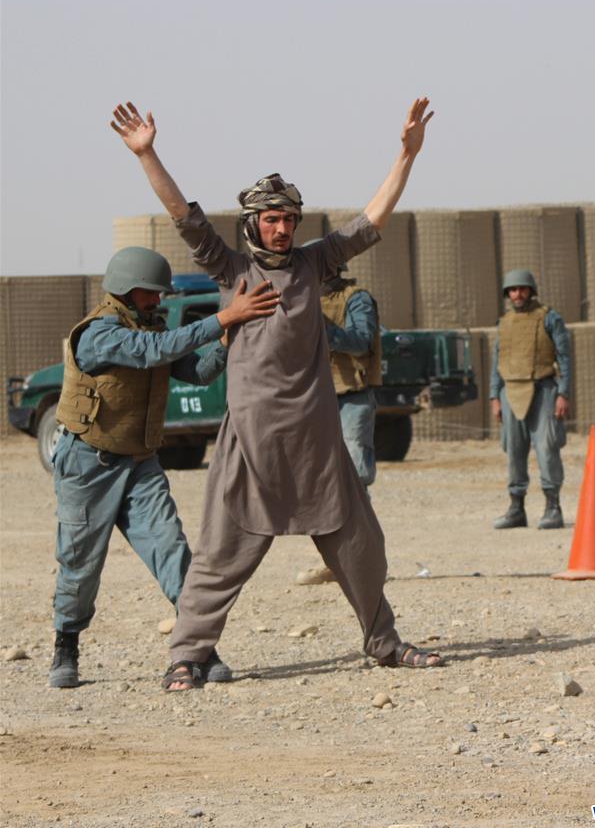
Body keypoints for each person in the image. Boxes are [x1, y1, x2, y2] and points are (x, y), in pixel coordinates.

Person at [111, 98, 442, 690]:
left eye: (290, 219)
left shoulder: (315, 264)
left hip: (317, 441)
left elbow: (372, 221)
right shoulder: (232, 270)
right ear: (253, 223)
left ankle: (385, 643)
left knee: (362, 548)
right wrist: (146, 154)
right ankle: (187, 655)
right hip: (252, 442)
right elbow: (183, 215)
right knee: (219, 556)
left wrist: (406, 155)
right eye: (272, 219)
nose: (283, 229)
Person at [49, 246, 278, 688]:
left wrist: (225, 342)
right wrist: (224, 318)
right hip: (88, 465)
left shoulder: (152, 326)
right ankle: (66, 647)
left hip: (140, 464)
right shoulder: (98, 333)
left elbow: (199, 371)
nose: (157, 300)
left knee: (174, 553)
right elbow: (151, 351)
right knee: (80, 564)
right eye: (150, 293)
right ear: (124, 289)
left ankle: (199, 648)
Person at [296, 261, 382, 586]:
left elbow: (362, 341)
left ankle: (365, 561)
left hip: (351, 395)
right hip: (314, 397)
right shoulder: (301, 297)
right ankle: (336, 561)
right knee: (321, 484)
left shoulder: (355, 298)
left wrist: (324, 330)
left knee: (355, 481)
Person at [489, 269, 571, 531]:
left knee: (547, 448)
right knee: (514, 451)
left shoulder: (549, 318)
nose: (518, 294)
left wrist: (563, 393)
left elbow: (565, 357)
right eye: (513, 290)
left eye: (522, 289)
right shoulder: (505, 322)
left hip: (543, 389)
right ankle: (516, 508)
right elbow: (497, 361)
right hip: (510, 391)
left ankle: (553, 507)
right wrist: (494, 396)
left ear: (531, 291)